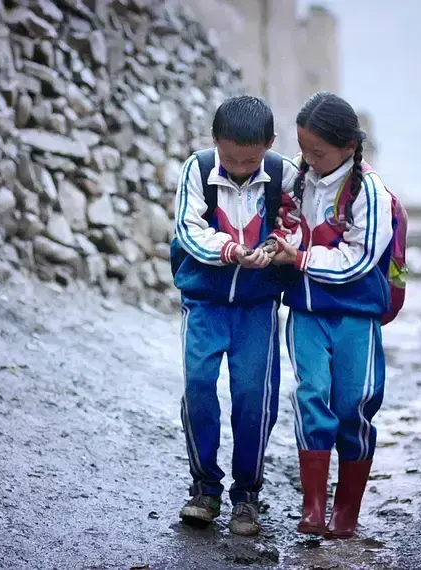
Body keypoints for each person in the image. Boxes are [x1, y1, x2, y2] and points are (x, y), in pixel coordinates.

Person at [169, 95, 301, 536]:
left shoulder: (284, 174)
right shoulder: (198, 168)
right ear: (214, 142)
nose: (240, 167)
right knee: (199, 385)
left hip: (258, 307)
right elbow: (189, 228)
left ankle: (247, 495)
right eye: (230, 158)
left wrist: (270, 249)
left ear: (269, 144)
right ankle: (204, 488)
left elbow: (293, 225)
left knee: (253, 396)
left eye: (250, 159)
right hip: (204, 301)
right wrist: (229, 251)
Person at [270, 92, 394, 539]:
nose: (308, 158)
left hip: (355, 317)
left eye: (318, 152)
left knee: (353, 407)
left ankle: (347, 510)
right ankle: (314, 507)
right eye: (303, 148)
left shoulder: (370, 192)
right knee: (311, 397)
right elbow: (282, 226)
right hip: (305, 311)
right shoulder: (298, 181)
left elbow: (360, 260)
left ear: (347, 147)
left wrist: (301, 258)